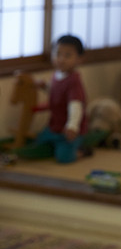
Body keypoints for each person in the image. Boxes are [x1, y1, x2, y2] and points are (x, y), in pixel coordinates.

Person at [17, 35, 88, 164]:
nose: (61, 59)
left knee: (64, 158)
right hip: (54, 126)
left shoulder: (73, 82)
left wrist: (72, 126)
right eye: (58, 54)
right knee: (40, 140)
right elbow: (56, 92)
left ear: (79, 60)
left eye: (67, 55)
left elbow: (75, 106)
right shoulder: (57, 75)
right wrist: (44, 86)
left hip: (67, 130)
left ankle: (81, 151)